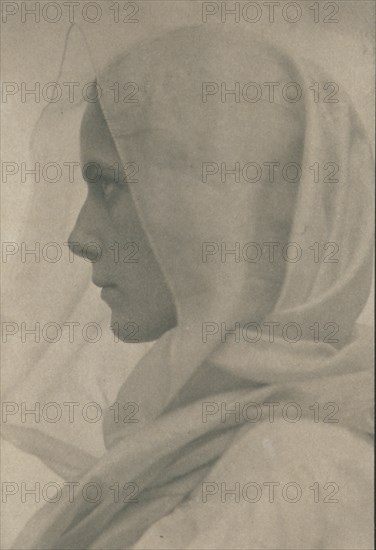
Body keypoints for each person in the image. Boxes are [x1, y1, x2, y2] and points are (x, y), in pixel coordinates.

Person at [5, 26, 373, 549]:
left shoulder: (295, 468)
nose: (79, 237)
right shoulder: (193, 440)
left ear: (219, 208)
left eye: (108, 184)